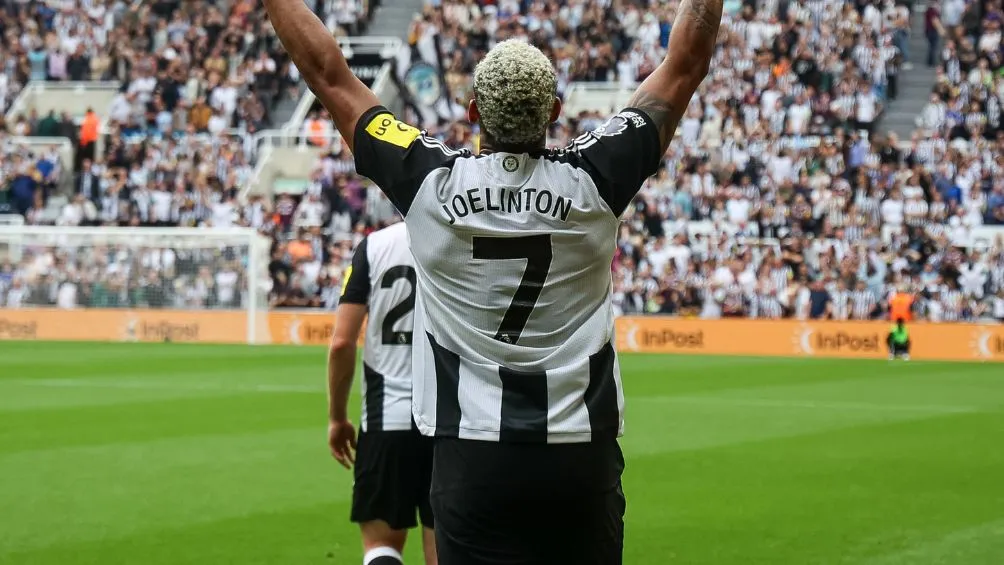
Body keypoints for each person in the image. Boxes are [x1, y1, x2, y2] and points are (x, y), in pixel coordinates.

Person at [263, 0, 723, 562]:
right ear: (555, 109)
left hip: (471, 458)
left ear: (474, 108)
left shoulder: (429, 186)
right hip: (580, 454)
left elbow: (328, 72)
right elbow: (685, 63)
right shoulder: (599, 177)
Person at [327, 222, 436, 565]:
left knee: (382, 547)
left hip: (386, 417)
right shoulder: (460, 236)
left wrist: (337, 417)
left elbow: (342, 342)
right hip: (449, 422)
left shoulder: (374, 247)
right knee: (444, 550)